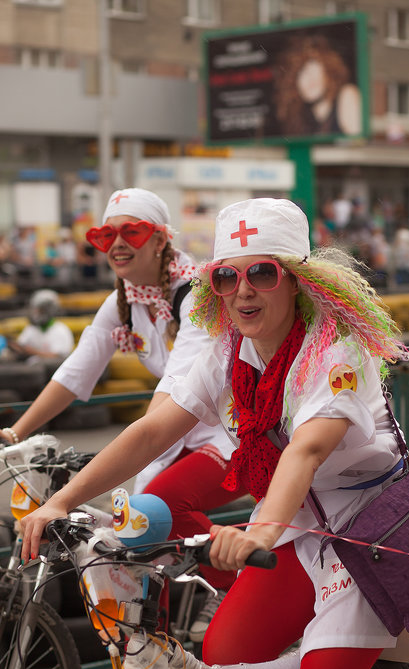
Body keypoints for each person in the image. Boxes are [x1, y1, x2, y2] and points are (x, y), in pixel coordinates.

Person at [21, 197, 409, 669]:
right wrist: (60, 502)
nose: (242, 291)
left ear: (297, 280)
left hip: (370, 532)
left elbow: (305, 451)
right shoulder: (227, 347)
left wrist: (260, 531)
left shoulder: (335, 347)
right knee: (225, 655)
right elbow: (152, 431)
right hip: (302, 531)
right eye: (225, 275)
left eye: (262, 273)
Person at [4, 187, 243, 636]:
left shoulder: (197, 296)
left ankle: (240, 586)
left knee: (157, 505)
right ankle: (155, 654)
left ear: (160, 241)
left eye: (131, 231)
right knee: (139, 533)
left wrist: (125, 465)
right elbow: (75, 372)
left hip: (230, 436)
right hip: (173, 432)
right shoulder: (124, 301)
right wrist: (15, 434)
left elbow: (168, 405)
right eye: (104, 234)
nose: (117, 243)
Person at [13, 289, 74, 361]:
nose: (35, 313)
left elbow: (58, 357)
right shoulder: (31, 328)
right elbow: (20, 345)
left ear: (49, 310)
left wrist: (32, 352)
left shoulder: (61, 330)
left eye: (40, 310)